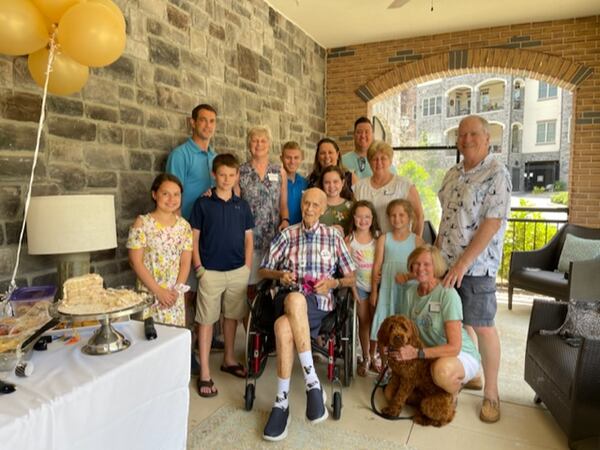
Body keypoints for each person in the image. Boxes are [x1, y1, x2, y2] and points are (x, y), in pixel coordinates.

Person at [258, 188, 356, 441]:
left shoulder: (333, 237)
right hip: (287, 295)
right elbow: (264, 270)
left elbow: (351, 278)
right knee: (293, 298)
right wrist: (280, 275)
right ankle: (313, 383)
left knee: (282, 328)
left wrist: (333, 284)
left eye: (315, 205)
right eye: (306, 204)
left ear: (323, 209)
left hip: (319, 303)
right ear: (300, 205)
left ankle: (281, 403)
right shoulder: (288, 235)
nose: (309, 209)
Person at [437, 115, 511, 424]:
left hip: (476, 267)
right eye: (462, 134)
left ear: (487, 138)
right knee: (458, 322)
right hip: (446, 262)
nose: (466, 139)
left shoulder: (497, 172)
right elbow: (445, 216)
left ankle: (491, 394)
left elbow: (492, 222)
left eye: (473, 134)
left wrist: (464, 263)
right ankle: (474, 372)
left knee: (481, 324)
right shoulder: (454, 173)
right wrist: (436, 256)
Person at [189, 154, 255, 397]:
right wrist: (199, 269)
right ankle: (205, 372)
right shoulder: (203, 204)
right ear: (214, 175)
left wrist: (247, 267)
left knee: (232, 316)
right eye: (222, 174)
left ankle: (228, 358)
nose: (227, 179)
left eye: (231, 175)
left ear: (237, 176)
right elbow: (193, 239)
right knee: (206, 321)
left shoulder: (242, 205)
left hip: (238, 271)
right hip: (210, 272)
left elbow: (249, 239)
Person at [386, 245, 481, 404]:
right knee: (390, 395)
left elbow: (454, 347)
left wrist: (417, 353)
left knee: (441, 372)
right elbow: (405, 331)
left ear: (435, 266)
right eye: (416, 263)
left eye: (426, 264)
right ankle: (433, 390)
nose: (420, 268)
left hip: (457, 354)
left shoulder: (447, 294)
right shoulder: (410, 293)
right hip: (427, 353)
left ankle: (452, 391)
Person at [166, 103, 221, 360]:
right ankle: (184, 351)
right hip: (185, 235)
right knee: (185, 294)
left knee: (203, 293)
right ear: (192, 122)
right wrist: (178, 236)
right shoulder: (180, 155)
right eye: (203, 120)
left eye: (212, 121)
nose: (207, 125)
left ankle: (201, 348)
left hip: (209, 237)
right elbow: (171, 195)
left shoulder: (214, 157)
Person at [127, 173, 192, 326]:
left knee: (173, 341)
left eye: (176, 194)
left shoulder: (184, 227)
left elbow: (185, 263)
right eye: (165, 194)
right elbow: (135, 262)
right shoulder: (142, 223)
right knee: (150, 340)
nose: (171, 199)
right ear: (155, 195)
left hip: (174, 297)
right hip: (149, 294)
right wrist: (159, 292)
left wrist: (175, 292)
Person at [370, 199, 424, 372]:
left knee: (405, 326)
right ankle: (384, 364)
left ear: (409, 217)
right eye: (393, 215)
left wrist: (408, 276)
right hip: (388, 290)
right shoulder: (384, 239)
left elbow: (422, 269)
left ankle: (404, 365)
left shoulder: (417, 241)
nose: (397, 218)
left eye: (401, 215)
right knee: (384, 326)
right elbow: (377, 266)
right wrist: (373, 291)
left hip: (408, 290)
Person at [239, 126, 289, 299]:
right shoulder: (240, 172)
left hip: (272, 240)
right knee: (248, 288)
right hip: (247, 238)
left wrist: (285, 220)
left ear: (269, 145)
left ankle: (261, 326)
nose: (258, 144)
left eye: (263, 141)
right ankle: (248, 326)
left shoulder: (279, 171)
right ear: (248, 145)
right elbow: (235, 204)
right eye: (254, 140)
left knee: (269, 289)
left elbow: (283, 203)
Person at [353, 140, 424, 236]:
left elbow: (419, 216)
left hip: (398, 244)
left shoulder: (404, 185)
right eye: (375, 159)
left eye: (383, 158)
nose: (379, 162)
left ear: (390, 161)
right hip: (368, 246)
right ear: (369, 162)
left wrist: (416, 243)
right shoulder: (359, 187)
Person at [345, 200, 381, 377]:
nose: (363, 220)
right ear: (354, 218)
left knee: (376, 321)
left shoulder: (378, 239)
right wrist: (352, 289)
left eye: (367, 216)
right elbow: (345, 267)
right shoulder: (350, 239)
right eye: (359, 216)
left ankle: (375, 356)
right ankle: (365, 356)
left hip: (376, 286)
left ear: (372, 218)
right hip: (358, 287)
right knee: (364, 321)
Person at [318, 165, 354, 236]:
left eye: (335, 182)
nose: (331, 186)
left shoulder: (352, 207)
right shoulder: (316, 206)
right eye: (327, 182)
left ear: (343, 183)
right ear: (322, 184)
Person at [280, 141, 308, 225]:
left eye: (296, 158)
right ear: (281, 158)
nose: (292, 161)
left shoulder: (305, 183)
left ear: (301, 159)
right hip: (281, 230)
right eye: (288, 157)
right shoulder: (275, 182)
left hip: (299, 232)